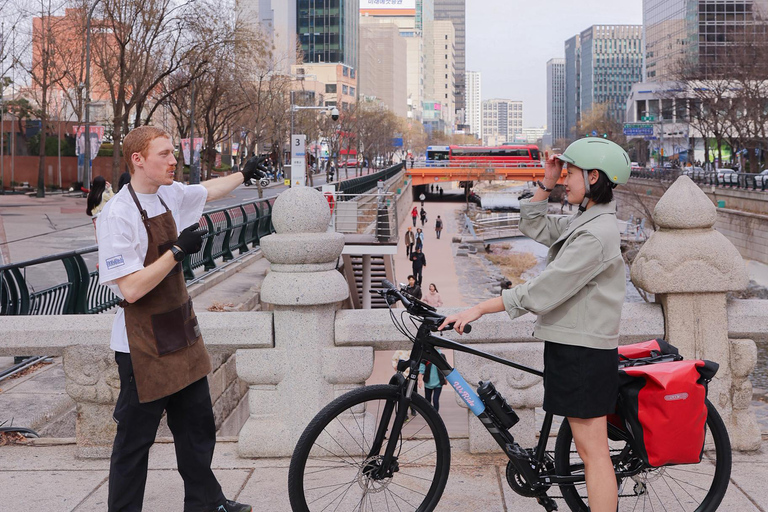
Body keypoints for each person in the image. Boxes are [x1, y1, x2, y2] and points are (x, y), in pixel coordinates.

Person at [440, 138, 631, 512]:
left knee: (594, 454)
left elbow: (544, 291)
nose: (564, 180)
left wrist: (480, 307)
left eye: (571, 173)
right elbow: (534, 224)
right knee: (590, 449)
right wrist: (545, 180)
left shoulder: (594, 233)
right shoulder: (584, 220)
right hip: (573, 345)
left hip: (583, 351)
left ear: (594, 177)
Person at [96, 126, 261, 512]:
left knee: (197, 428)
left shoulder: (169, 194)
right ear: (138, 160)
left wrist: (245, 174)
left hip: (181, 331)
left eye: (174, 153)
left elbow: (209, 190)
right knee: (135, 442)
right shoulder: (117, 215)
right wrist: (175, 252)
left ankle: (206, 503)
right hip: (141, 345)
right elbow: (132, 288)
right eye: (164, 154)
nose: (174, 161)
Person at [418, 347, 445, 412]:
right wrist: (420, 379)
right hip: (428, 382)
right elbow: (422, 367)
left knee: (435, 400)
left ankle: (435, 416)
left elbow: (445, 368)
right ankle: (429, 415)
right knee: (427, 401)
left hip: (438, 383)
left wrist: (446, 378)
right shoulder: (426, 355)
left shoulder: (441, 356)